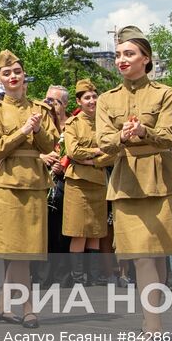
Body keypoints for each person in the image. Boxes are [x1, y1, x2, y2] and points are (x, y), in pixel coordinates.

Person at [96, 26, 172, 341]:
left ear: (146, 59)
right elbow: (103, 143)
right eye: (119, 54)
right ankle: (154, 325)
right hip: (128, 182)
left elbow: (169, 137)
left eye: (129, 54)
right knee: (140, 255)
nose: (122, 60)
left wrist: (144, 132)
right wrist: (123, 136)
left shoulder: (165, 94)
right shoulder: (107, 100)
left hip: (161, 177)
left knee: (157, 253)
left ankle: (155, 324)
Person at [0, 50, 58, 329]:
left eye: (17, 72)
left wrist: (37, 130)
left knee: (27, 249)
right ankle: (28, 309)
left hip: (35, 184)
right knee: (19, 251)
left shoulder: (41, 109)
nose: (13, 77)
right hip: (10, 184)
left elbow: (50, 146)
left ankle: (3, 306)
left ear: (24, 75)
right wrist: (24, 130)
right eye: (6, 73)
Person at [61, 79, 112, 282]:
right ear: (78, 101)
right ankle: (78, 275)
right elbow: (73, 151)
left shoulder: (104, 123)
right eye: (86, 98)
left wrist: (90, 159)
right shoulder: (73, 123)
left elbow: (113, 153)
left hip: (98, 180)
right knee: (78, 230)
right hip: (78, 181)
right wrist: (98, 153)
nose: (91, 101)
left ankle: (94, 274)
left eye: (93, 96)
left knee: (96, 230)